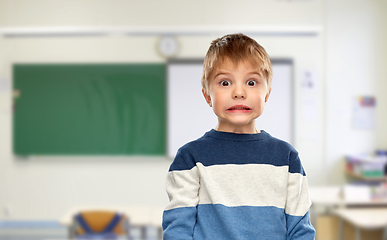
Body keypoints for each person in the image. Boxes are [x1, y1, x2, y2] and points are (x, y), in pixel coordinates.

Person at [162, 33, 315, 240]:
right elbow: (178, 230)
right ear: (208, 95)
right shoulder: (190, 157)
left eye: (251, 82)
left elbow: (300, 230)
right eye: (225, 83)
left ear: (267, 94)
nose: (239, 92)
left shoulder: (286, 157)